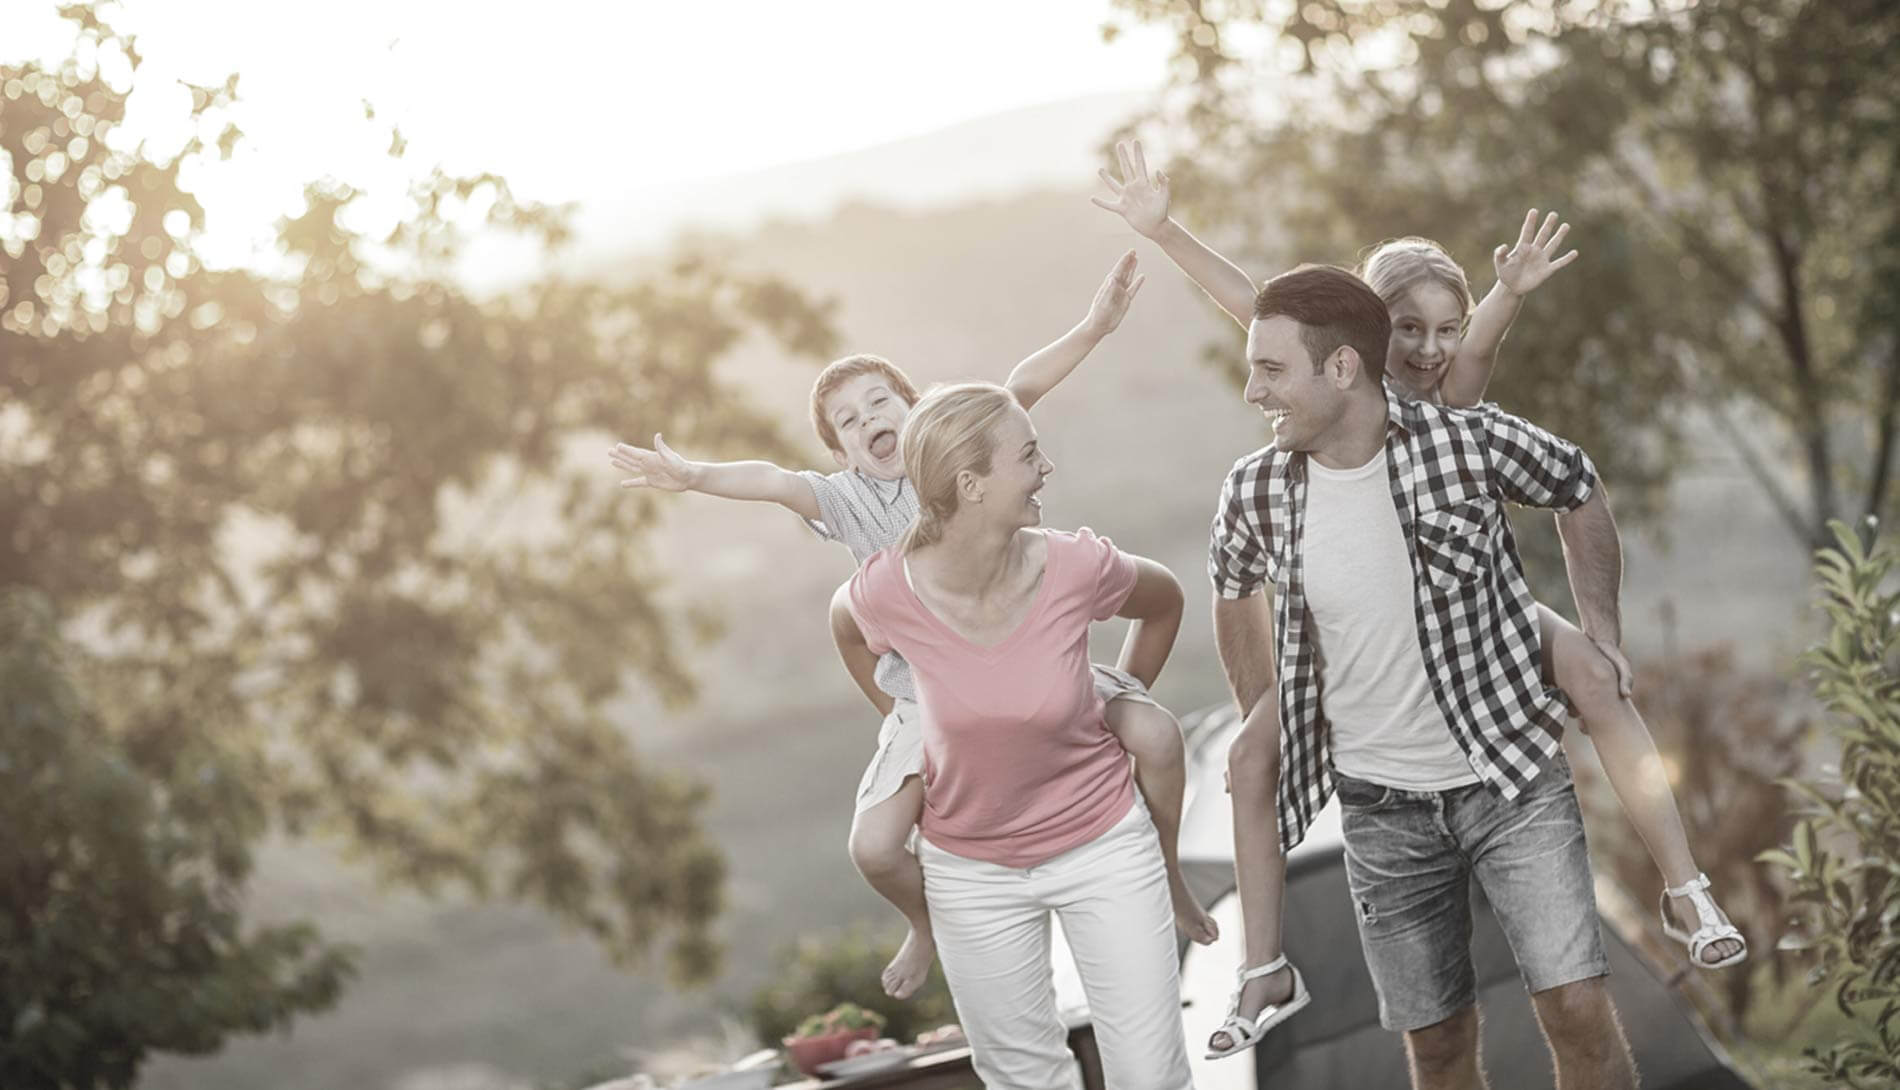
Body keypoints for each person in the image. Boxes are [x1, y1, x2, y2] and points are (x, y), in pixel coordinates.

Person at [1094, 139, 1743, 1061]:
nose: (1430, 351)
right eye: (1408, 331)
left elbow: (1560, 464)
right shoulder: (1282, 444)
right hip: (1380, 796)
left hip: (1499, 703)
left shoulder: (1455, 423)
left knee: (1598, 685)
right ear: (1363, 341)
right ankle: (1264, 965)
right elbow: (1255, 307)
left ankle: (1684, 885)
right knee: (1252, 767)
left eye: (1447, 331)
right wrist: (1166, 234)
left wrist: (1601, 629)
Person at [608, 254, 1217, 1001]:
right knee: (874, 847)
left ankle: (1172, 876)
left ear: (916, 405)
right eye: (849, 422)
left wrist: (1093, 326)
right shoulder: (846, 502)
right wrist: (696, 475)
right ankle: (930, 924)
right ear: (839, 453)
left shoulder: (960, 443)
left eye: (879, 403)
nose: (869, 423)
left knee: (1156, 736)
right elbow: (771, 479)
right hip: (930, 700)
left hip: (1028, 666)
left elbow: (1021, 383)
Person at [831, 382, 1194, 1090]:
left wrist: (1115, 697)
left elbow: (1165, 603)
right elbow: (847, 629)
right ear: (971, 485)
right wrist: (902, 716)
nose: (1045, 468)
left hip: (1105, 848)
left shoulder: (1075, 565)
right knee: (1024, 1082)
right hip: (971, 875)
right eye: (1027, 455)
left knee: (1151, 1079)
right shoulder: (887, 591)